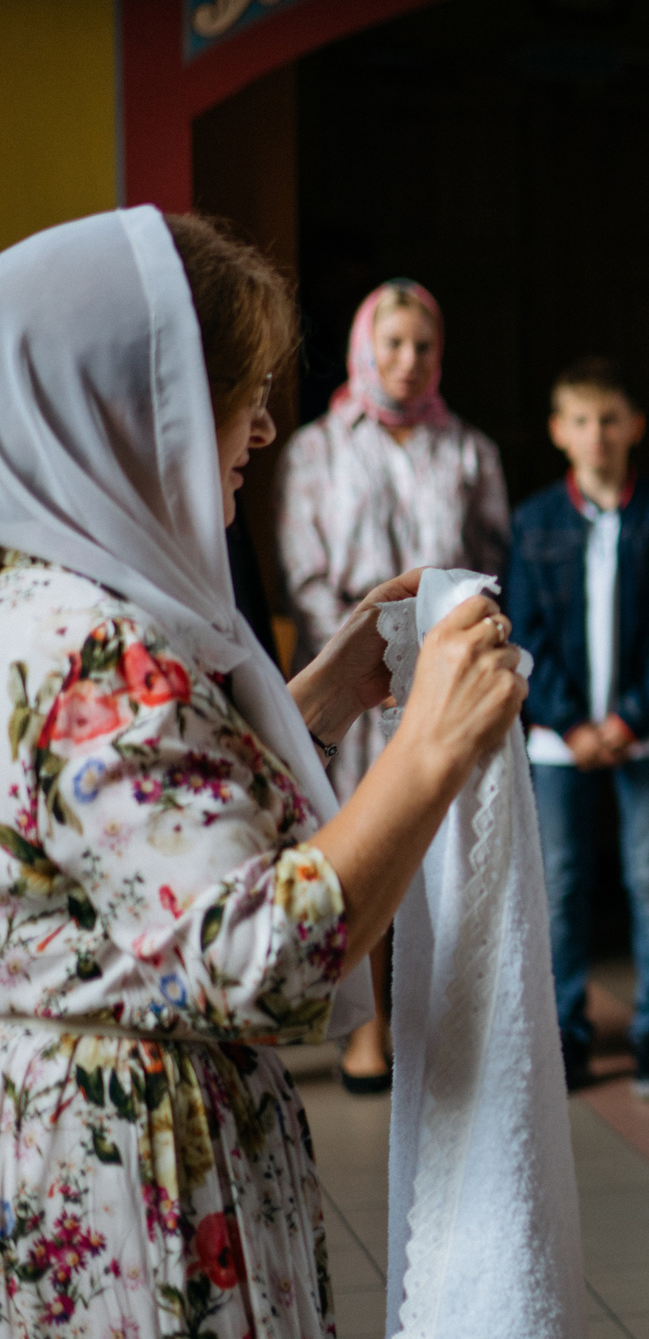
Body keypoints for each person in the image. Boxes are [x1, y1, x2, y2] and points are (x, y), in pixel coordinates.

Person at [0, 209, 525, 1339]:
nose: (265, 428)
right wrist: (430, 745)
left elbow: (140, 841)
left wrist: (324, 697)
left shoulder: (42, 595)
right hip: (138, 1174)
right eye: (237, 392)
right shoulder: (100, 643)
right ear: (134, 413)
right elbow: (258, 959)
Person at [277, 277, 509, 1092]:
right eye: (394, 344)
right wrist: (361, 651)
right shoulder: (316, 448)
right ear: (364, 347)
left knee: (446, 855)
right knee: (363, 845)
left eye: (424, 347)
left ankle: (448, 1024)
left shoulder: (470, 449)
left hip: (443, 679)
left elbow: (492, 556)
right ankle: (366, 1029)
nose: (409, 362)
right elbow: (305, 573)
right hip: (358, 678)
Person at [508, 357, 649, 1099]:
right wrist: (566, 720)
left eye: (610, 420)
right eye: (583, 421)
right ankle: (566, 1032)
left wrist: (630, 717)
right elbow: (523, 628)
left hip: (646, 735)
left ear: (634, 428)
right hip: (560, 741)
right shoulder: (534, 521)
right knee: (561, 884)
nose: (598, 435)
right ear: (561, 432)